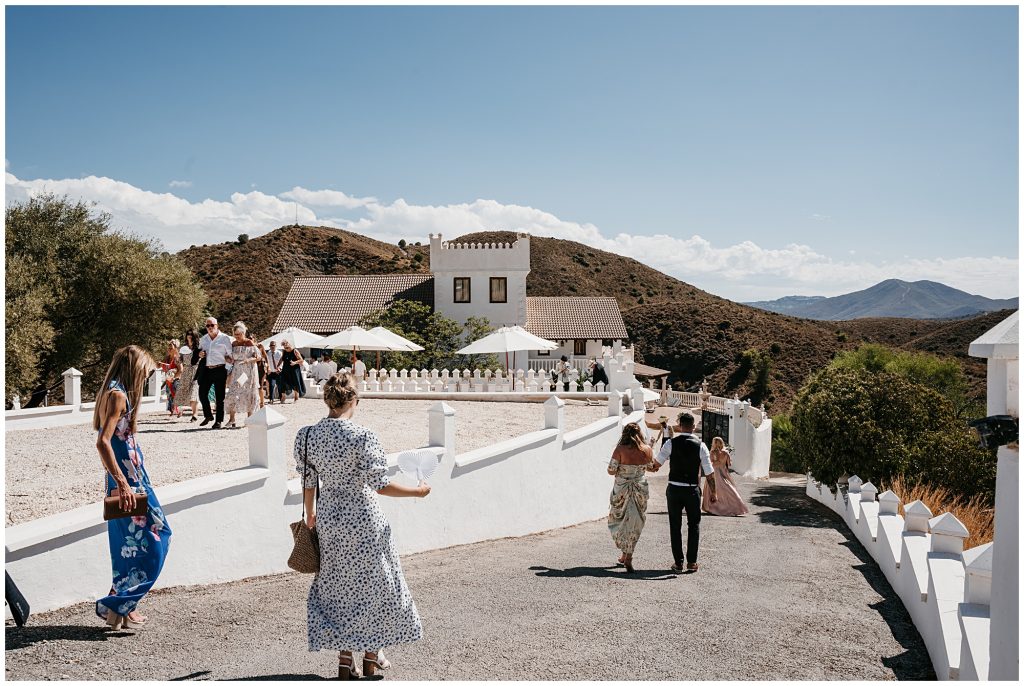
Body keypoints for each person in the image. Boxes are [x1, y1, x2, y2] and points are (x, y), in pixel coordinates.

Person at [296, 372, 429, 680]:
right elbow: (380, 485)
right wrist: (417, 492)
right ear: (354, 400)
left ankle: (345, 659)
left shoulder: (306, 436)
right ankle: (371, 655)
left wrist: (310, 513)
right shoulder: (362, 436)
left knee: (339, 588)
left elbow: (307, 480)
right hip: (364, 521)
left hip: (329, 521)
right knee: (377, 587)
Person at [93, 345, 172, 629]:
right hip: (128, 481)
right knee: (159, 536)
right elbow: (103, 441)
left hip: (131, 478)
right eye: (145, 371)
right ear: (135, 368)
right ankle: (118, 603)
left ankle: (123, 608)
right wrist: (123, 483)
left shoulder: (113, 391)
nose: (147, 377)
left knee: (128, 545)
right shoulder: (117, 395)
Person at [649, 412, 717, 572]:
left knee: (675, 525)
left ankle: (678, 562)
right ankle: (692, 562)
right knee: (694, 525)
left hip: (674, 489)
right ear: (693, 427)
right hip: (692, 490)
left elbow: (656, 464)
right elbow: (709, 473)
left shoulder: (670, 444)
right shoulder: (701, 446)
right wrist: (714, 492)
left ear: (679, 426)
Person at [606, 422, 656, 573]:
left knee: (619, 520)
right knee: (635, 522)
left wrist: (623, 468)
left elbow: (611, 470)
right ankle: (627, 556)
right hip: (639, 488)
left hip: (622, 488)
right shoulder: (647, 450)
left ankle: (625, 554)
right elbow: (651, 467)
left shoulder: (620, 449)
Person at [198, 317, 234, 429]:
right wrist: (200, 355)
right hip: (207, 369)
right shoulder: (203, 339)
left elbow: (230, 356)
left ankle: (218, 421)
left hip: (220, 369)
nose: (210, 328)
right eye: (207, 326)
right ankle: (208, 415)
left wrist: (227, 369)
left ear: (217, 325)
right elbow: (199, 352)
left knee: (220, 397)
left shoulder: (225, 338)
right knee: (202, 393)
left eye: (212, 325)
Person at [224, 322, 261, 428]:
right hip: (236, 371)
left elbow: (258, 357)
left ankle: (249, 419)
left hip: (248, 372)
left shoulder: (249, 342)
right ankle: (232, 419)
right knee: (232, 393)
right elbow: (231, 357)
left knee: (248, 393)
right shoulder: (234, 344)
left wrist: (248, 360)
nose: (237, 337)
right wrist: (228, 359)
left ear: (243, 333)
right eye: (235, 334)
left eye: (239, 334)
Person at [702, 437, 749, 516]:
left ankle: (713, 508)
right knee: (728, 488)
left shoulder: (712, 452)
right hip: (724, 471)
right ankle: (736, 507)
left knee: (713, 488)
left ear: (714, 443)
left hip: (714, 471)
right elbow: (729, 464)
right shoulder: (726, 452)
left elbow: (710, 463)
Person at [175, 330, 201, 421]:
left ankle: (195, 414)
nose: (189, 336)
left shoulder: (199, 348)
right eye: (188, 334)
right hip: (186, 372)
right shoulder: (183, 348)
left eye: (191, 334)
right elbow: (179, 361)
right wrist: (177, 359)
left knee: (194, 393)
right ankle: (181, 411)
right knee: (185, 392)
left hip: (196, 371)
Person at [161, 340, 180, 417]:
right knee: (169, 396)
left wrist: (174, 377)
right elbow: (159, 366)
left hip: (176, 380)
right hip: (168, 380)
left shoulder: (177, 358)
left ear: (175, 348)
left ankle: (179, 410)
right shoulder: (167, 358)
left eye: (171, 348)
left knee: (175, 395)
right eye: (168, 348)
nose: (169, 349)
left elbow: (181, 369)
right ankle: (172, 411)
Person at [255, 342, 268, 408]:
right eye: (249, 338)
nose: (250, 339)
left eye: (252, 338)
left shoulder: (260, 346)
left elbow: (265, 356)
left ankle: (262, 402)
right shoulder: (247, 347)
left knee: (260, 386)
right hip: (252, 369)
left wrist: (268, 367)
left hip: (261, 369)